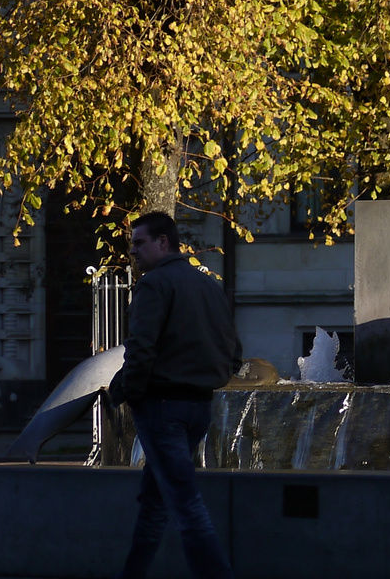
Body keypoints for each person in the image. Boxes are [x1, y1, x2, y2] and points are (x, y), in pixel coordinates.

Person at [109, 211, 242, 579]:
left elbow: (140, 351)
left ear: (162, 243)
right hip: (198, 406)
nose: (133, 251)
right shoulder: (209, 286)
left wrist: (131, 393)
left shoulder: (154, 286)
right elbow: (234, 353)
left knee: (186, 506)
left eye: (139, 243)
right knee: (155, 501)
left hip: (161, 407)